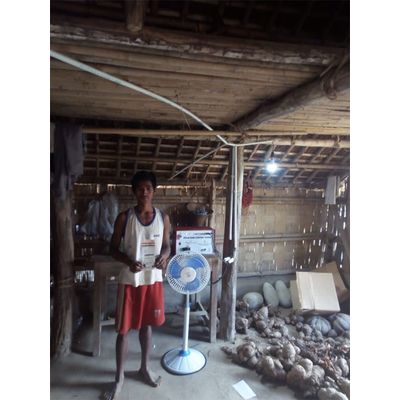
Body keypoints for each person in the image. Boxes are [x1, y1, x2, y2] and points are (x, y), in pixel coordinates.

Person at [105, 171, 171, 400]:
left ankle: (144, 367)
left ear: (154, 191)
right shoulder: (125, 218)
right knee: (123, 330)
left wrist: (165, 256)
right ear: (134, 192)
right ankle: (119, 377)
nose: (144, 192)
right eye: (140, 188)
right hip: (130, 281)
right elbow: (112, 249)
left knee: (147, 325)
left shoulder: (163, 217)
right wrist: (128, 261)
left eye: (148, 188)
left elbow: (167, 245)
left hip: (152, 279)